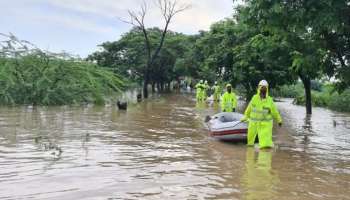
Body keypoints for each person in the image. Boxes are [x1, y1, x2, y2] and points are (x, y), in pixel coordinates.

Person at [241, 80, 282, 149]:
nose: (263, 89)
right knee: (250, 144)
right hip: (253, 124)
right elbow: (249, 109)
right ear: (259, 88)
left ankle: (264, 157)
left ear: (267, 89)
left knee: (265, 146)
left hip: (265, 125)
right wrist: (245, 117)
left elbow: (275, 112)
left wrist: (279, 120)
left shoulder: (269, 100)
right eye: (261, 87)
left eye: (264, 88)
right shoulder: (254, 98)